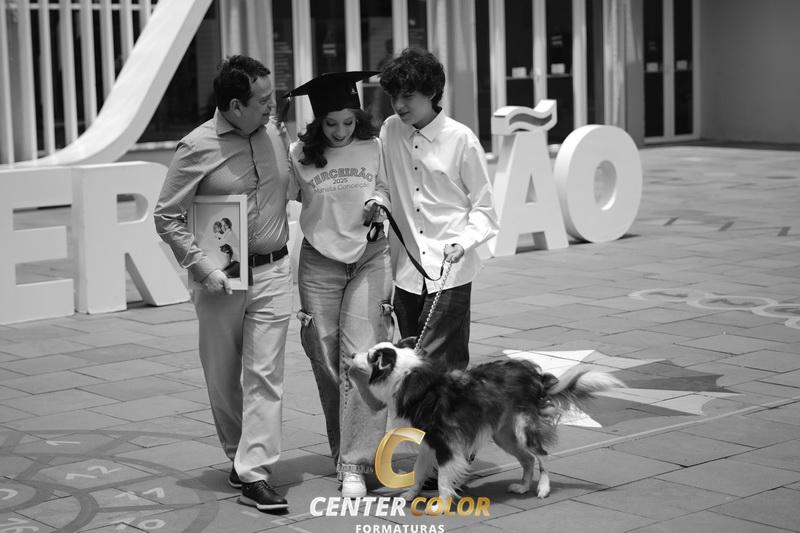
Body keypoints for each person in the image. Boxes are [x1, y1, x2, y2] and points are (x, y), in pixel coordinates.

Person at [154, 55, 293, 512]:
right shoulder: (196, 146)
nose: (272, 106)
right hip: (221, 279)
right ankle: (239, 454)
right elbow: (167, 216)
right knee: (222, 375)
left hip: (274, 270)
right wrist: (200, 266)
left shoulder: (275, 134)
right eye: (263, 100)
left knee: (265, 375)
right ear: (235, 106)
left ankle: (255, 471)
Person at [283, 71, 392, 498]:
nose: (341, 131)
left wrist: (378, 201)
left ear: (357, 117)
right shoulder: (299, 154)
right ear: (318, 122)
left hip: (370, 257)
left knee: (363, 359)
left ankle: (355, 464)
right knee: (327, 362)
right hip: (319, 263)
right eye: (331, 123)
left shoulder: (374, 147)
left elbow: (386, 186)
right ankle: (343, 453)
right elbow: (280, 195)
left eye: (348, 122)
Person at [379, 48, 499, 371]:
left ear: (431, 92)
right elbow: (384, 184)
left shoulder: (461, 139)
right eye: (393, 97)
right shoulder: (390, 130)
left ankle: (454, 408)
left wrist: (464, 242)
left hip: (450, 269)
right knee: (410, 367)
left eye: (407, 96)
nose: (399, 105)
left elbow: (485, 207)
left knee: (442, 367)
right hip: (406, 270)